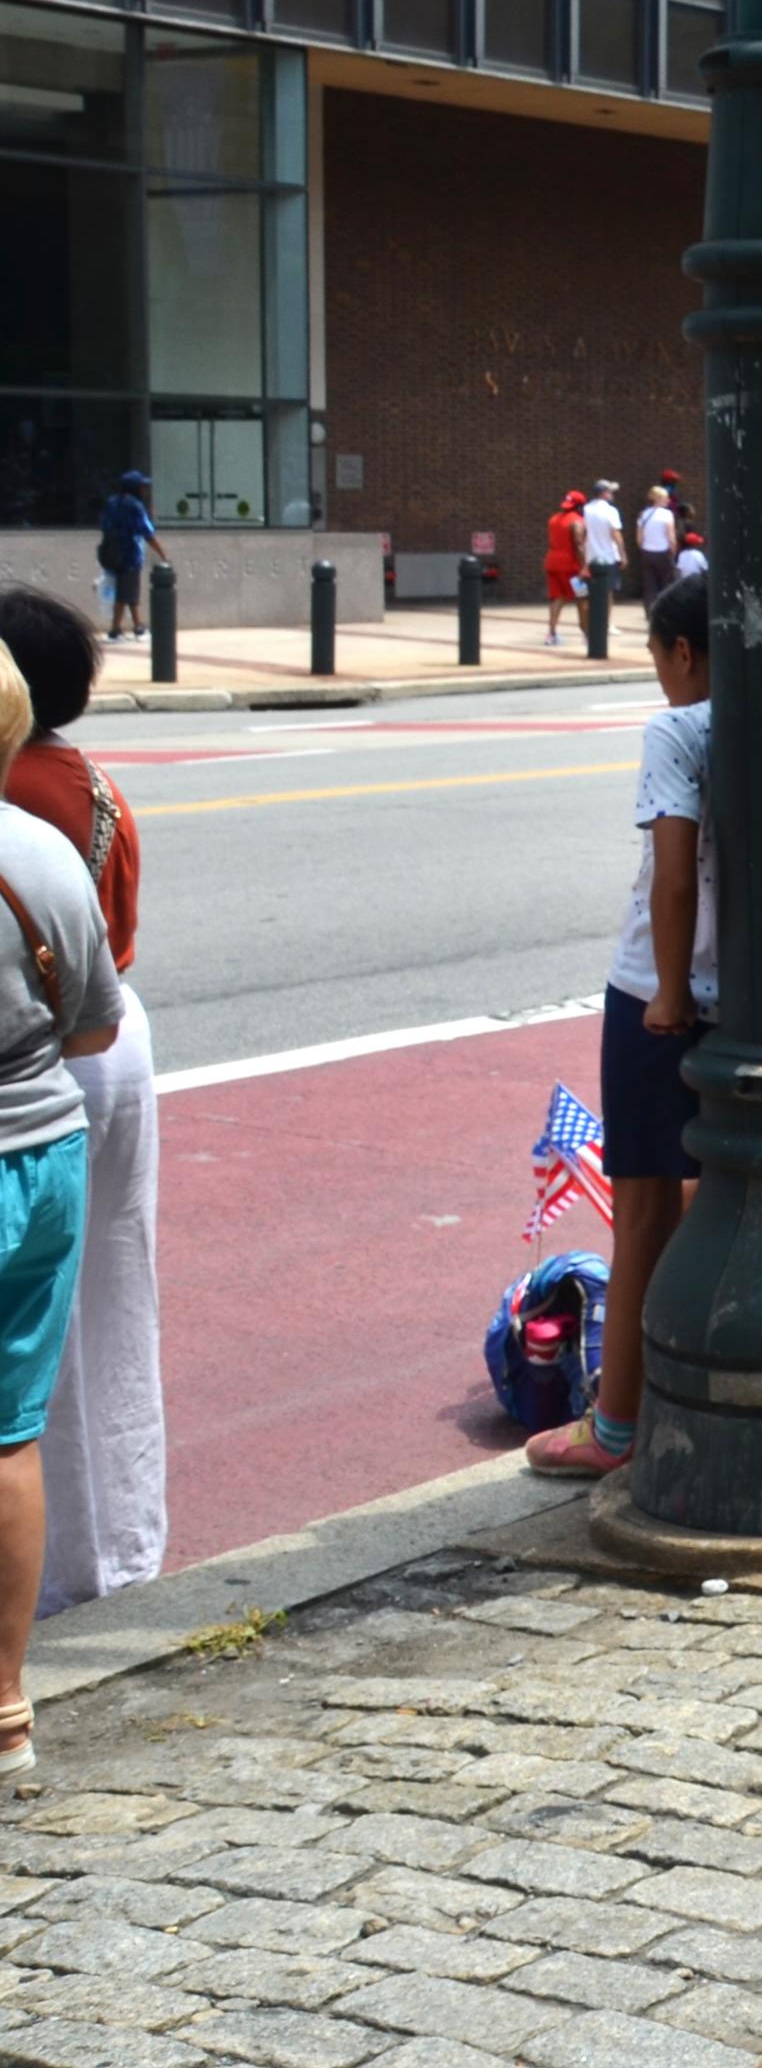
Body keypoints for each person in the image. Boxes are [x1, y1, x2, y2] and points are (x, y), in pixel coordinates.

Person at [526, 574, 715, 1476]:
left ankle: (617, 1427)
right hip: (753, 997)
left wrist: (670, 991)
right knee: (718, 1197)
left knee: (640, 1212)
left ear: (683, 653)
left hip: (660, 995)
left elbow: (674, 872)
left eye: (654, 652)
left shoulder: (678, 729)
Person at [0, 590, 155, 1611]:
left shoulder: (22, 789)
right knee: (112, 1302)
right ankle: (121, 1545)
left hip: (49, 1062)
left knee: (36, 1347)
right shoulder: (80, 776)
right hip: (106, 1038)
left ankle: (62, 1571)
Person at [0, 652, 120, 1773]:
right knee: (9, 1432)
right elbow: (93, 1028)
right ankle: (5, 1710)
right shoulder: (41, 853)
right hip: (39, 1153)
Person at [93, 475, 158, 645]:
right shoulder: (135, 506)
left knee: (127, 593)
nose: (145, 490)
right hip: (131, 555)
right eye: (142, 487)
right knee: (126, 593)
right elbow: (147, 531)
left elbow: (104, 525)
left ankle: (136, 626)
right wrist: (162, 552)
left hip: (111, 553)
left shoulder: (112, 503)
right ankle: (117, 630)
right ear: (135, 488)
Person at [542, 490, 586, 646]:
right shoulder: (577, 521)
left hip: (552, 563)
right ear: (580, 506)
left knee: (557, 598)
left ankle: (551, 634)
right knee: (582, 598)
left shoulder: (553, 519)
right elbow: (579, 545)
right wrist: (584, 567)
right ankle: (587, 634)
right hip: (571, 567)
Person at [578, 476, 627, 614]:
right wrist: (623, 555)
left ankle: (589, 624)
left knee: (589, 593)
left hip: (590, 558)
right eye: (610, 492)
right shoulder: (611, 511)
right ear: (604, 493)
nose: (612, 495)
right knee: (608, 592)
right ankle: (607, 623)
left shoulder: (585, 509)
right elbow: (616, 534)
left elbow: (582, 534)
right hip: (608, 557)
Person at [633, 480, 679, 604]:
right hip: (663, 552)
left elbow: (639, 538)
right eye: (665, 498)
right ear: (658, 498)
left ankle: (650, 612)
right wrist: (673, 550)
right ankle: (665, 610)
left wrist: (643, 549)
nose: (668, 500)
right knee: (667, 584)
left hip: (647, 553)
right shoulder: (667, 514)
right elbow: (671, 536)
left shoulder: (643, 514)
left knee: (649, 586)